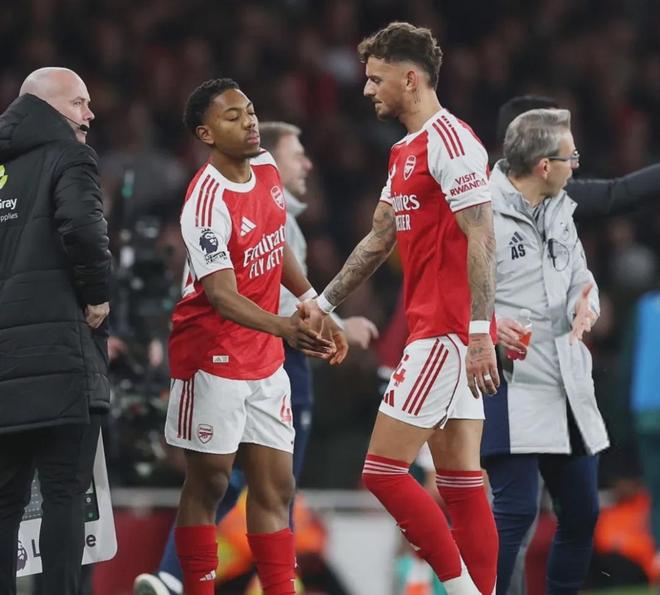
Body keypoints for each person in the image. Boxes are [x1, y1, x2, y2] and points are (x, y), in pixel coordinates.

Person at [133, 121, 377, 595]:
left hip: (244, 357)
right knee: (272, 489)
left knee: (231, 482)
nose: (307, 164)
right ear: (269, 162)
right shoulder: (242, 209)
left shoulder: (250, 210)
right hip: (268, 358)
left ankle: (171, 578)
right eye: (296, 153)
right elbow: (268, 298)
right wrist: (339, 326)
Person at [302, 22, 500, 595]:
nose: (367, 89)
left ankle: (462, 591)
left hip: (446, 334)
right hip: (436, 331)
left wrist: (479, 333)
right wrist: (323, 302)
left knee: (382, 472)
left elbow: (482, 235)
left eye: (376, 78)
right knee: (461, 484)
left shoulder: (453, 142)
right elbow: (379, 238)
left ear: (410, 79)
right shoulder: (402, 151)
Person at [480, 108, 608, 595]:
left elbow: (581, 277)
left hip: (565, 378)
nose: (576, 164)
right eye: (570, 156)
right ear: (543, 165)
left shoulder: (560, 210)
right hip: (508, 382)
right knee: (515, 513)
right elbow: (447, 292)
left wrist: (585, 304)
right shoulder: (480, 211)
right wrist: (489, 330)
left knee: (582, 511)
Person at [0, 67, 111, 595]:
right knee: (65, 493)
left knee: (4, 501)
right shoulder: (70, 156)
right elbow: (83, 228)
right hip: (62, 359)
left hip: (4, 365)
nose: (89, 114)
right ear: (47, 106)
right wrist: (97, 293)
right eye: (79, 103)